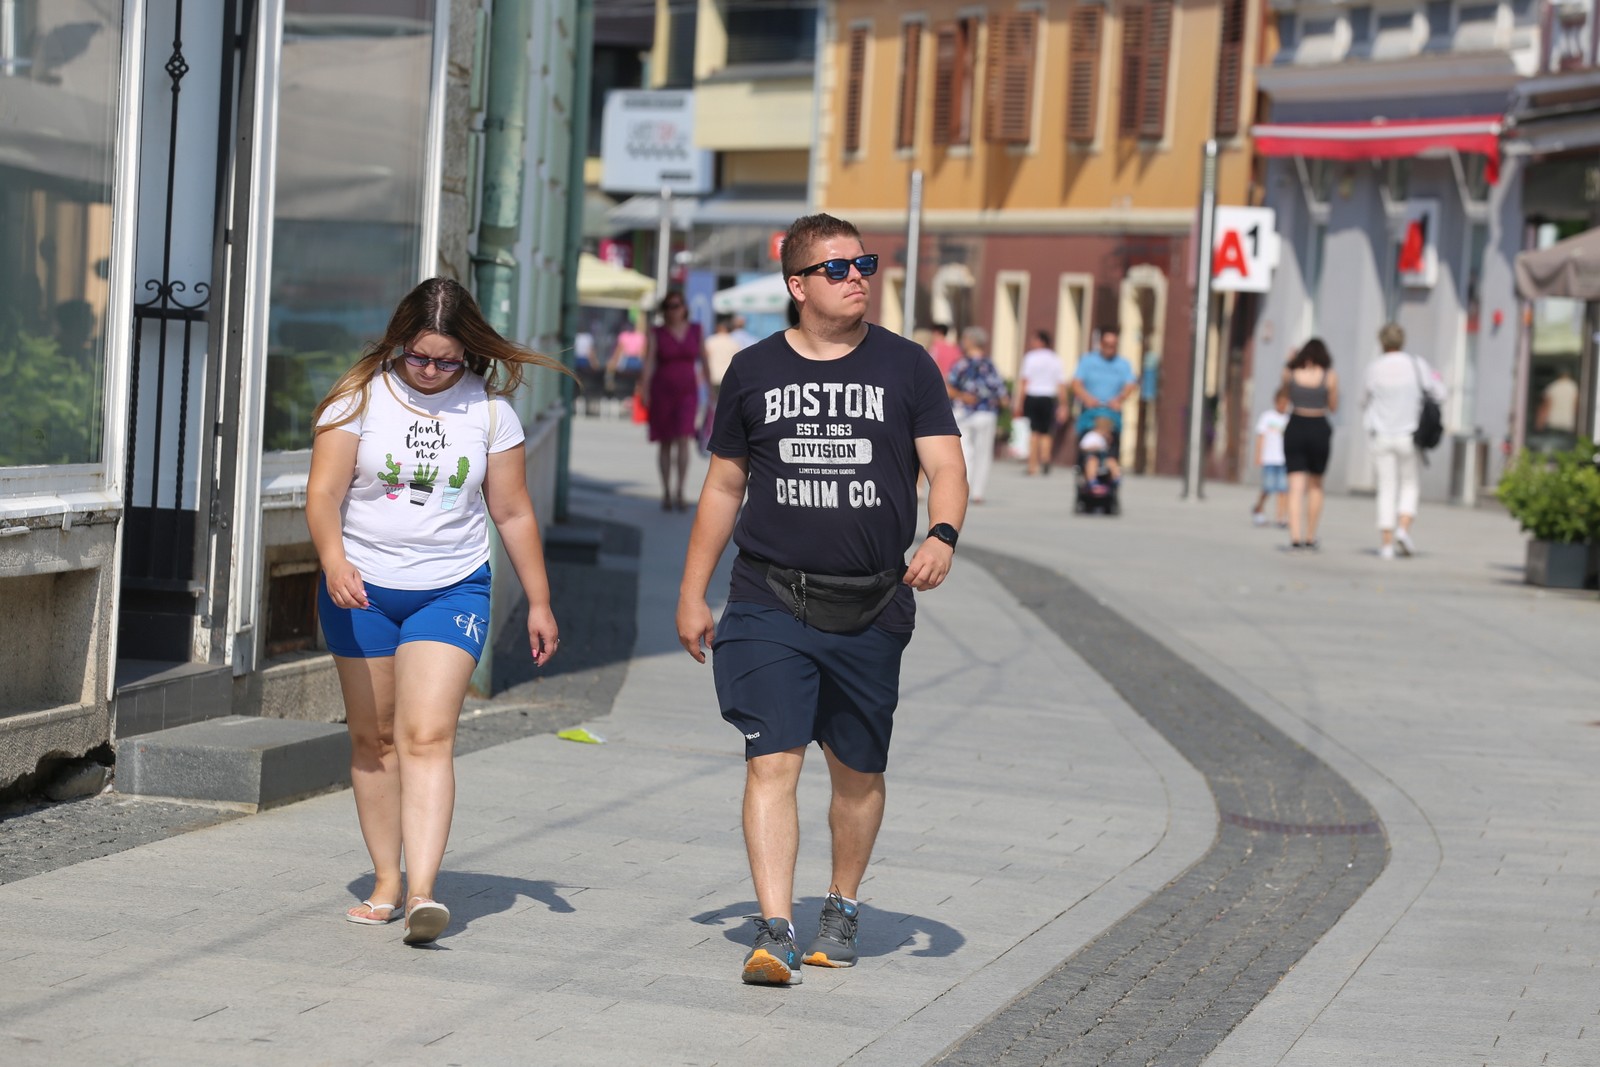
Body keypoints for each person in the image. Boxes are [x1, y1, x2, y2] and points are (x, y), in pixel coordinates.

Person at [676, 212, 966, 987]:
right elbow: (724, 486)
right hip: (770, 594)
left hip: (872, 603)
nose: (858, 276)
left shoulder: (908, 368)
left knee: (857, 774)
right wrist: (692, 591)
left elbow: (947, 464)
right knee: (772, 759)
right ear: (798, 285)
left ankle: (842, 899)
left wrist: (941, 533)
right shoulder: (753, 369)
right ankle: (774, 925)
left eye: (864, 262)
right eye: (838, 267)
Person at [305, 277, 569, 945]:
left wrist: (538, 600)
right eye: (419, 356)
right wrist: (334, 559)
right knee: (374, 740)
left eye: (446, 360)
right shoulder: (356, 398)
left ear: (467, 354)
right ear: (399, 342)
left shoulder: (489, 412)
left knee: (427, 735)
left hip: (451, 588)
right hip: (360, 587)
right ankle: (385, 880)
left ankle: (423, 889)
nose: (430, 370)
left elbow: (511, 511)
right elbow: (323, 492)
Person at [1363, 322, 1446, 560]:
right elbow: (1440, 392)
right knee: (1410, 484)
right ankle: (1403, 528)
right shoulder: (1417, 364)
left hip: (1381, 435)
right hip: (1410, 435)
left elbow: (1364, 399)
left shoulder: (1375, 368)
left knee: (1386, 488)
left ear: (1382, 342)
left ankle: (1386, 544)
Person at [640, 290, 712, 511]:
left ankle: (680, 489)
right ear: (665, 310)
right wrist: (643, 389)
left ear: (684, 308)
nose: (675, 310)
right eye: (670, 306)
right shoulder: (656, 333)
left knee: (684, 439)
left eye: (678, 305)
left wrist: (710, 391)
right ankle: (666, 492)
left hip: (688, 392)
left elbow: (704, 359)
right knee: (665, 442)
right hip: (662, 391)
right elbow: (649, 361)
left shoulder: (696, 330)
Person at [1281, 337, 1339, 550]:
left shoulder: (1290, 373)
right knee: (1316, 485)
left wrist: (1288, 365)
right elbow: (1333, 406)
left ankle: (1295, 537)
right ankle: (1310, 536)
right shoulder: (1329, 376)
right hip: (1318, 427)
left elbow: (1282, 401)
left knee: (1295, 486)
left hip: (1295, 425)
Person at [946, 326, 1009, 504]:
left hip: (963, 413)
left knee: (965, 452)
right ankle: (978, 492)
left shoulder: (961, 364)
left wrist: (962, 396)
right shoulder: (990, 365)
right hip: (986, 413)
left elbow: (948, 387)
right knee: (983, 452)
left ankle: (964, 488)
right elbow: (1002, 393)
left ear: (970, 341)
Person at [1070, 328, 1138, 452]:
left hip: (1111, 410)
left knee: (1110, 450)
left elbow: (1130, 385)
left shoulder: (1123, 364)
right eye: (1107, 345)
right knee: (1089, 448)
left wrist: (1119, 399)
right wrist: (1087, 399)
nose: (1110, 348)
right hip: (1090, 410)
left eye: (1113, 345)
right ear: (1100, 344)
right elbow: (1076, 383)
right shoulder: (1087, 360)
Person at [1015, 329, 1068, 476]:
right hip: (1048, 396)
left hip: (1033, 395)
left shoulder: (1030, 358)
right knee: (1046, 431)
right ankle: (1045, 458)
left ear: (1041, 341)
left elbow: (1025, 381)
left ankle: (1033, 465)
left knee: (1034, 431)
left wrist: (1020, 402)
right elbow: (1061, 383)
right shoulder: (1055, 359)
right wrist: (1064, 404)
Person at [1251, 387, 1291, 528]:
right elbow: (1261, 437)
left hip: (1284, 459)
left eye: (1285, 403)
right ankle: (1258, 507)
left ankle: (1281, 518)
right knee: (1268, 487)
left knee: (1283, 489)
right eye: (1281, 402)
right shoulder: (1267, 416)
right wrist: (1258, 455)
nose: (1283, 406)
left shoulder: (1288, 419)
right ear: (1275, 402)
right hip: (1269, 458)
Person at [1078, 415, 1121, 489]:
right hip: (1091, 457)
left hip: (1103, 459)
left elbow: (1107, 449)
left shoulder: (1105, 439)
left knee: (1112, 461)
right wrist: (1093, 448)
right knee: (1092, 462)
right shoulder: (1091, 436)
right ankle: (1092, 480)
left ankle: (1116, 478)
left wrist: (1109, 441)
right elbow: (1083, 447)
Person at [1536, 367, 1579, 437]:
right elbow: (1576, 407)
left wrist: (1540, 422)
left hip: (1553, 422)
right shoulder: (1574, 387)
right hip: (1568, 423)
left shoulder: (1553, 387)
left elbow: (1545, 406)